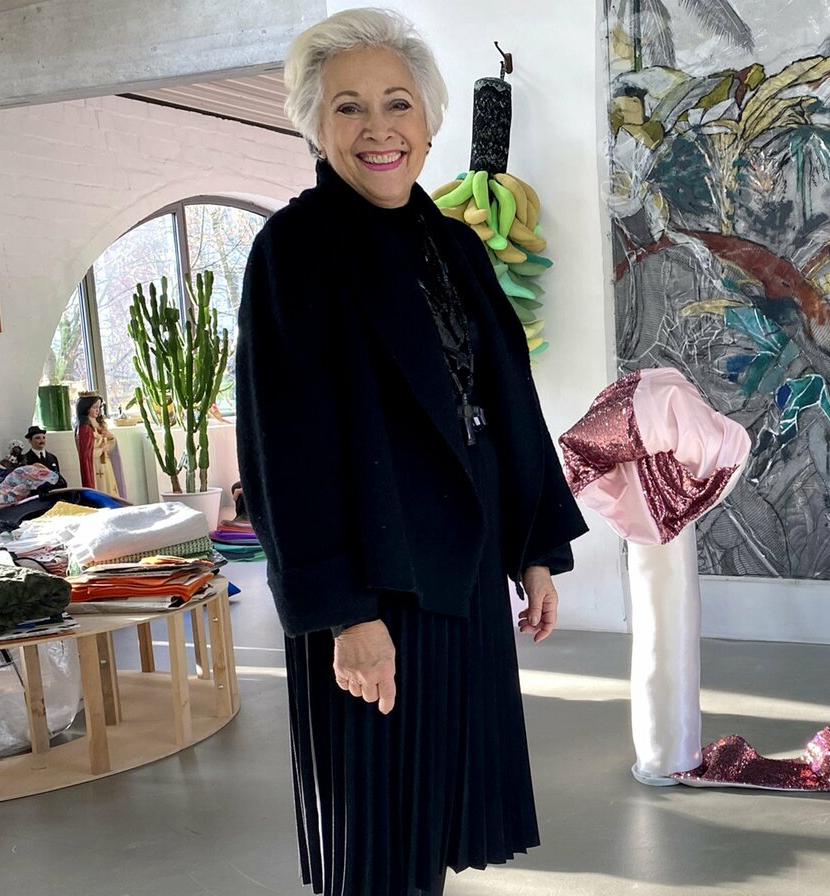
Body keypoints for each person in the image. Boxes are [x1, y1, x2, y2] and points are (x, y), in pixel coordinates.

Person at [234, 9, 587, 895]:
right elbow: (284, 452)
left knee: (434, 819)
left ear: (429, 123)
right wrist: (344, 616)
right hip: (374, 582)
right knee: (377, 841)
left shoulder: (454, 244)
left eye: (397, 103)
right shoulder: (295, 250)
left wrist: (534, 548)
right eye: (348, 107)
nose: (378, 128)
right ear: (315, 126)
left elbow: (505, 400)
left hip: (463, 570)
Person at [73, 394, 120, 498]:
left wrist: (111, 437)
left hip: (106, 463)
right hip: (95, 466)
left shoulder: (101, 424)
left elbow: (110, 444)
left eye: (98, 407)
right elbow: (86, 453)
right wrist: (101, 449)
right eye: (94, 407)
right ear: (86, 408)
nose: (97, 410)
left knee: (110, 488)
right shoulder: (84, 428)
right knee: (101, 488)